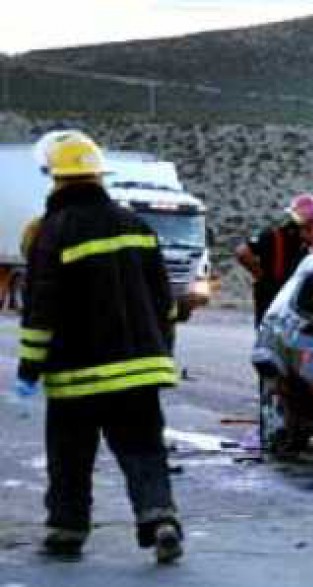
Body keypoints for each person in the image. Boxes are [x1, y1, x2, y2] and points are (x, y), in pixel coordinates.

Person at [13, 130, 184, 564]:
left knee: (70, 456)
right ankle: (160, 519)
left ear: (55, 178)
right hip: (140, 371)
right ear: (97, 177)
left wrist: (29, 368)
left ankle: (66, 531)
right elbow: (164, 302)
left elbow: (40, 308)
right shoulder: (137, 226)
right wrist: (161, 353)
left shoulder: (52, 231)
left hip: (78, 376)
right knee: (144, 450)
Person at [236, 193, 313, 326]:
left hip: (294, 303)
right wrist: (261, 275)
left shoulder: (305, 246)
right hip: (274, 301)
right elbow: (242, 252)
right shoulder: (274, 237)